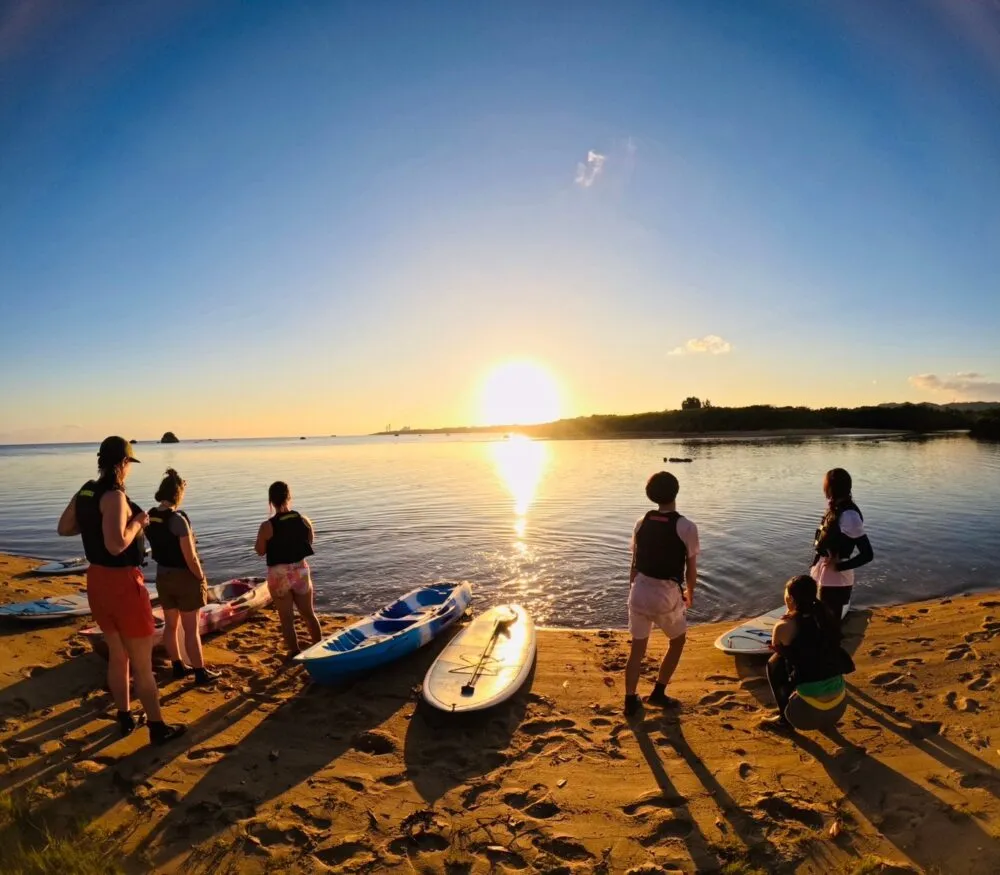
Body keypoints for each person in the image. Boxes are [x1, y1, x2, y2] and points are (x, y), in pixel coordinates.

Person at [56, 436, 184, 745]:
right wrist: (138, 522)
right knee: (142, 665)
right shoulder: (114, 497)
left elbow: (64, 528)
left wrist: (95, 525)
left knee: (117, 654)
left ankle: (125, 716)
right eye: (128, 464)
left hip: (96, 581)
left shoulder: (86, 490)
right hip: (122, 583)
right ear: (122, 464)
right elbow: (116, 545)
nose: (128, 470)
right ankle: (157, 727)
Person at [624, 471, 700, 717]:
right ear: (676, 491)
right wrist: (690, 593)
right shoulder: (686, 526)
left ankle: (630, 700)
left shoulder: (641, 522)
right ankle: (658, 693)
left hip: (639, 592)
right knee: (677, 641)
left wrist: (633, 589)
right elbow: (691, 568)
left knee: (637, 649)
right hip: (665, 595)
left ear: (651, 496)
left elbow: (634, 564)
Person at [146, 468, 220, 686]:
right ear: (178, 494)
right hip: (183, 577)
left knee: (170, 625)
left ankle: (177, 665)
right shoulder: (178, 519)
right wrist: (201, 578)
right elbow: (191, 557)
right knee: (190, 628)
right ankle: (199, 671)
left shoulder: (151, 515)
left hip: (162, 575)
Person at [761, 574, 850, 733]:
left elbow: (777, 646)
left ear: (791, 599)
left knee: (774, 662)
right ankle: (820, 714)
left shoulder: (784, 625)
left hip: (806, 715)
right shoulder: (826, 614)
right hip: (839, 706)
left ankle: (784, 721)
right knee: (818, 656)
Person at [254, 481, 322, 655]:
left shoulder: (267, 526)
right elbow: (309, 541)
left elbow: (260, 551)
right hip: (300, 571)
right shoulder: (304, 520)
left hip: (279, 575)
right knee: (309, 614)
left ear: (271, 501)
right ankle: (319, 648)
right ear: (289, 497)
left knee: (287, 619)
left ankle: (294, 652)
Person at [810, 467, 874, 637]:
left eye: (825, 485)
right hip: (826, 575)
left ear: (831, 488)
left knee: (830, 626)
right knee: (824, 622)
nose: (823, 488)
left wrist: (840, 566)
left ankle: (833, 659)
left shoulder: (849, 516)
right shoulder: (835, 509)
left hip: (836, 579)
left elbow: (867, 554)